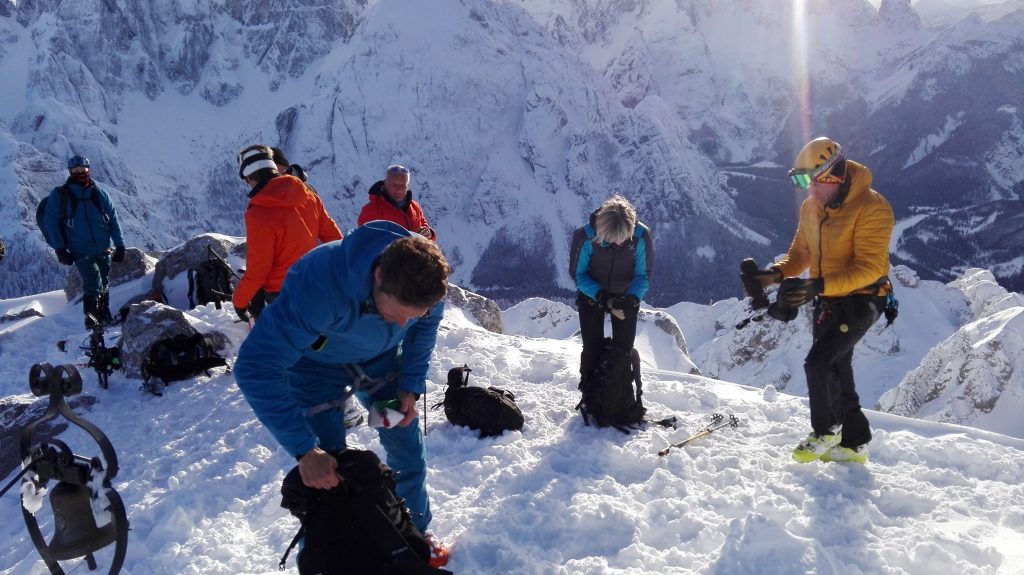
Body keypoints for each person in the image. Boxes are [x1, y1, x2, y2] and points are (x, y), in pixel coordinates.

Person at [233, 220, 451, 568]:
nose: (399, 324)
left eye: (408, 317)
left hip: (380, 363)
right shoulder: (319, 289)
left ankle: (413, 535)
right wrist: (305, 451)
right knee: (326, 477)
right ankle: (325, 561)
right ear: (378, 276)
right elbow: (254, 367)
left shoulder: (425, 284)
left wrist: (410, 381)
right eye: (395, 313)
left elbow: (425, 325)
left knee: (407, 447)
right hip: (313, 368)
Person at [752, 137, 894, 464]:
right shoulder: (811, 207)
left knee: (819, 362)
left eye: (810, 181)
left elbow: (871, 268)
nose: (807, 190)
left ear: (835, 175)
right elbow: (801, 252)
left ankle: (825, 431)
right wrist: (774, 274)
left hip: (863, 299)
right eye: (799, 181)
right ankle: (854, 444)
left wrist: (819, 286)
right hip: (826, 296)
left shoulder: (874, 209)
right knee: (838, 368)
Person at [232, 144, 343, 322]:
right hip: (314, 283)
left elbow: (259, 267)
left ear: (249, 177)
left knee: (288, 344)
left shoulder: (259, 213)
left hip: (282, 293)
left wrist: (240, 301)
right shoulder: (308, 195)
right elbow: (335, 238)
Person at [569, 194, 653, 381]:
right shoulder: (586, 236)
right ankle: (589, 394)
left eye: (624, 239)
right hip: (591, 295)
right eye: (612, 239)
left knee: (623, 350)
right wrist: (601, 296)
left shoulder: (640, 236)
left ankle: (619, 394)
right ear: (602, 230)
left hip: (625, 296)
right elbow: (578, 274)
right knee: (592, 348)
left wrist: (632, 299)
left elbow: (643, 275)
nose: (619, 243)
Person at [41, 155, 126, 327]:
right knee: (93, 282)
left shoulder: (100, 194)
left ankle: (104, 315)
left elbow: (113, 220)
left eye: (83, 170)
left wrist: (120, 244)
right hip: (81, 250)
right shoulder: (60, 196)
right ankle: (92, 321)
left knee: (103, 282)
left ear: (89, 170)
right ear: (70, 172)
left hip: (104, 249)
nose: (80, 173)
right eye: (76, 171)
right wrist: (60, 249)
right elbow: (50, 222)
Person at [357, 164, 436, 240]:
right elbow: (365, 243)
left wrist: (429, 233)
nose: (398, 189)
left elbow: (425, 226)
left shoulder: (415, 206)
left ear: (407, 187)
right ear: (385, 184)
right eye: (394, 185)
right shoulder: (371, 210)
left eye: (402, 185)